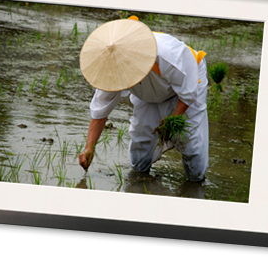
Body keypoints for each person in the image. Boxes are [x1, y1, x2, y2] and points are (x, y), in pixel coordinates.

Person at [78, 16, 209, 182]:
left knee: (191, 144)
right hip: (147, 92)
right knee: (139, 152)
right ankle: (140, 183)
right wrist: (90, 147)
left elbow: (187, 92)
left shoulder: (168, 55)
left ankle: (196, 184)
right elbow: (100, 110)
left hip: (186, 84)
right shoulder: (111, 67)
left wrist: (171, 122)